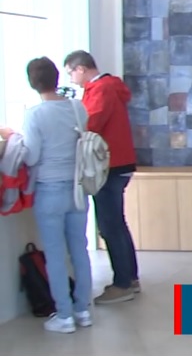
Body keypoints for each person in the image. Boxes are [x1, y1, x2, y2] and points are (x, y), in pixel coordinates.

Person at [0, 57, 93, 333]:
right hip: (77, 189)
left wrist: (14, 137)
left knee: (55, 254)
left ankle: (64, 316)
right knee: (80, 251)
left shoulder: (35, 114)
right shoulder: (77, 107)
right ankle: (83, 310)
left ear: (33, 83)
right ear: (57, 78)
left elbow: (31, 157)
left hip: (49, 190)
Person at [63, 50, 140, 304]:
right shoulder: (108, 87)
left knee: (109, 226)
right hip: (118, 162)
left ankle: (122, 284)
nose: (71, 79)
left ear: (81, 69)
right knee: (117, 223)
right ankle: (130, 278)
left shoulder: (102, 89)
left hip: (109, 165)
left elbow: (90, 123)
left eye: (71, 73)